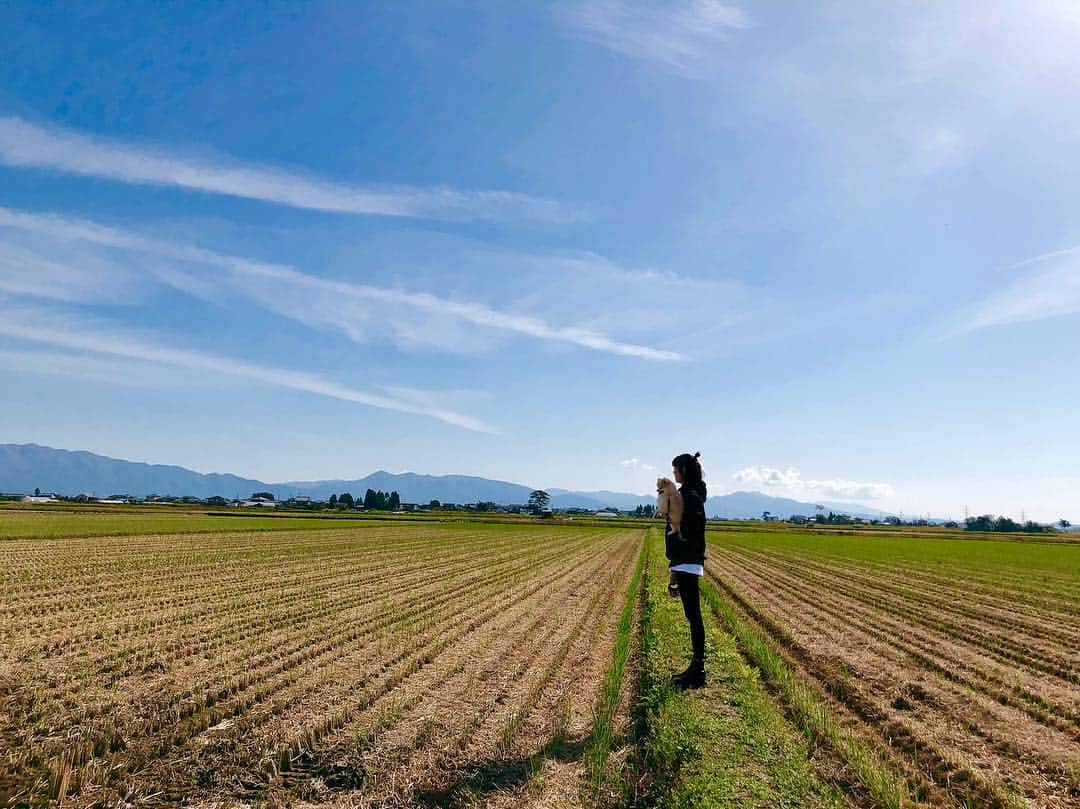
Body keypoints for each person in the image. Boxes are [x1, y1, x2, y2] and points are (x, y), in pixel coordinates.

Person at [664, 451, 707, 689]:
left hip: (688, 562)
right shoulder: (691, 495)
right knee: (693, 617)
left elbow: (686, 533)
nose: (674, 474)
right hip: (686, 562)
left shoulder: (687, 497)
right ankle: (696, 667)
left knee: (694, 617)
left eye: (676, 470)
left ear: (684, 471)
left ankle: (698, 671)